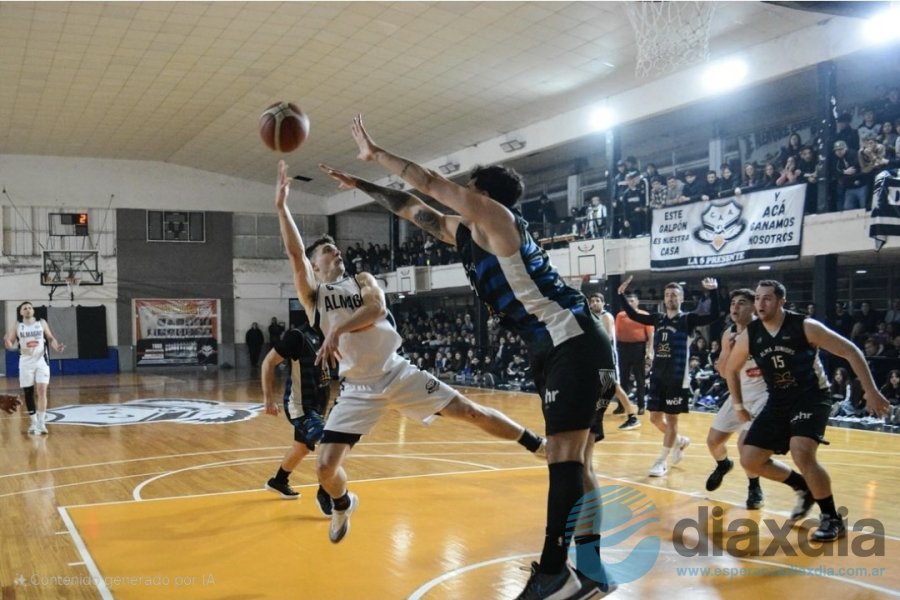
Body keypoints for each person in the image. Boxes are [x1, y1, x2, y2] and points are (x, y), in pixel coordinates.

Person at [322, 115, 619, 599]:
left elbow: (429, 184)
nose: (458, 191)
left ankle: (553, 571)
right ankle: (591, 572)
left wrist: (377, 154)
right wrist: (362, 184)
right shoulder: (466, 231)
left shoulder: (497, 220)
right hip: (558, 345)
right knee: (579, 462)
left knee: (565, 458)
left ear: (482, 194)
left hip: (572, 339)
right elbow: (412, 208)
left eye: (469, 187)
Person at [273, 161, 547, 549]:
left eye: (336, 248)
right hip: (358, 389)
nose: (336, 252)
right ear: (315, 265)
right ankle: (342, 502)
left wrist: (336, 328)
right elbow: (293, 251)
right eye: (327, 251)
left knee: (470, 411)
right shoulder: (314, 295)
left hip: (397, 373)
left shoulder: (364, 281)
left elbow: (377, 311)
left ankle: (537, 445)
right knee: (324, 467)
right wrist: (282, 207)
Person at [724, 280, 890, 542]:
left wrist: (871, 390)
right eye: (757, 298)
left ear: (781, 302)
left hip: (811, 397)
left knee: (802, 451)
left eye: (767, 298)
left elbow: (851, 350)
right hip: (779, 400)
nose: (760, 304)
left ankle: (832, 519)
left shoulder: (804, 326)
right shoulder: (751, 334)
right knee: (750, 459)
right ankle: (803, 487)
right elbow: (730, 370)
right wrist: (738, 405)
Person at [617, 276, 721, 477]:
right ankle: (679, 441)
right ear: (664, 299)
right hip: (658, 375)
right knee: (655, 418)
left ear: (681, 298)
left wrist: (714, 292)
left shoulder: (688, 319)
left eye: (674, 295)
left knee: (672, 420)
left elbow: (714, 315)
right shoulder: (658, 318)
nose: (670, 298)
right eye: (667, 295)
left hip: (676, 376)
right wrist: (621, 295)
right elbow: (634, 315)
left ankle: (661, 461)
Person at [261, 321, 333, 517]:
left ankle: (279, 481)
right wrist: (268, 399)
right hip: (301, 406)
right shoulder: (298, 336)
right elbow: (268, 361)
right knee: (330, 441)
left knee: (301, 448)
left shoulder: (330, 334)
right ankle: (325, 493)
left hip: (318, 405)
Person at [704, 289, 767, 509]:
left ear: (753, 307)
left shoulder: (763, 331)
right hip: (737, 392)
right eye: (732, 303)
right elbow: (723, 371)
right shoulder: (728, 333)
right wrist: (727, 351)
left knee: (745, 445)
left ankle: (754, 486)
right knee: (713, 441)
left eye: (742, 303)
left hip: (762, 395)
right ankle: (723, 465)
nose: (735, 307)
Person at [4, 301, 64, 435]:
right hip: (26, 362)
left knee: (42, 390)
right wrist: (7, 341)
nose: (28, 310)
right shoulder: (18, 325)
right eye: (25, 308)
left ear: (33, 311)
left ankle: (42, 423)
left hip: (41, 360)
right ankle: (34, 421)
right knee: (28, 392)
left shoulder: (41, 323)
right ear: (21, 312)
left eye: (30, 307)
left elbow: (50, 337)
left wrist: (56, 346)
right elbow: (10, 344)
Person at [588, 292, 639, 430]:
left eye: (597, 300)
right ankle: (593, 416)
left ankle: (632, 416)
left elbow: (607, 337)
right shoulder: (591, 317)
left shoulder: (606, 316)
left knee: (614, 386)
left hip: (607, 356)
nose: (594, 303)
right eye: (592, 301)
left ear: (603, 303)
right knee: (597, 387)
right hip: (596, 357)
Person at [615, 292, 654, 415]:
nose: (630, 303)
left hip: (639, 348)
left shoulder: (644, 315)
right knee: (623, 379)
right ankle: (622, 406)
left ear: (637, 302)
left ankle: (641, 405)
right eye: (628, 301)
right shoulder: (620, 315)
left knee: (640, 378)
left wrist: (649, 351)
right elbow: (616, 332)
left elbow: (651, 335)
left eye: (632, 301)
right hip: (623, 348)